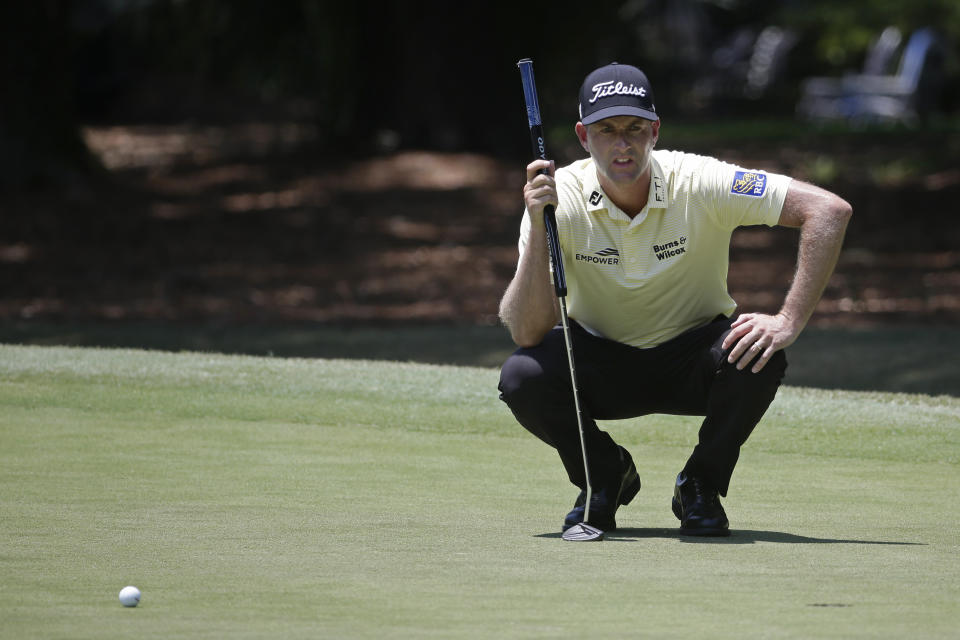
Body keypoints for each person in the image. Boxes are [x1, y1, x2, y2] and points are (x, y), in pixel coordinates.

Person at [498, 62, 852, 536]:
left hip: (694, 359)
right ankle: (603, 475)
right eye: (606, 130)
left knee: (760, 354)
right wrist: (542, 225)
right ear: (583, 136)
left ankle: (700, 485)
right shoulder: (556, 198)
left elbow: (828, 210)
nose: (622, 143)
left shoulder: (698, 180)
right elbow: (526, 331)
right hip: (600, 360)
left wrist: (788, 319)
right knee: (522, 375)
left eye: (634, 128)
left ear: (655, 131)